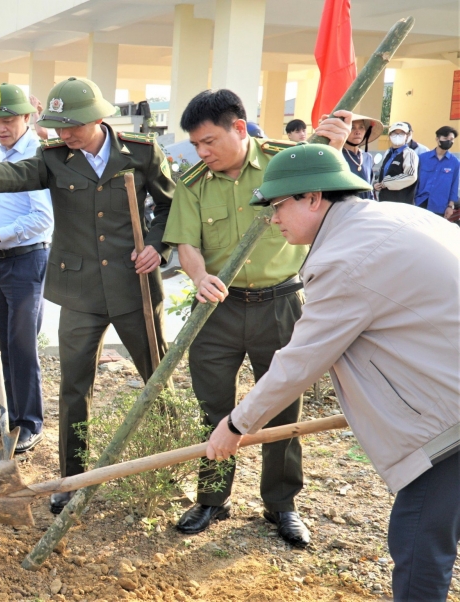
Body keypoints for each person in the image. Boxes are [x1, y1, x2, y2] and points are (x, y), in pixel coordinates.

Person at [207, 144, 460, 600]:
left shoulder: (346, 258)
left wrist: (237, 424)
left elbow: (300, 361)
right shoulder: (396, 220)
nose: (272, 217)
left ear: (313, 197)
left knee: (420, 541)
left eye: (278, 204)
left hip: (450, 424)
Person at [0, 76, 176, 514]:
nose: (63, 134)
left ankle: (169, 468)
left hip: (134, 287)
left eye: (71, 126)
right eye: (57, 126)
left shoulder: (141, 153)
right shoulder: (54, 157)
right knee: (73, 388)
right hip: (79, 291)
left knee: (156, 376)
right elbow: (19, 173)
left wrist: (158, 245)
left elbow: (170, 206)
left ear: (98, 118)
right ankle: (72, 479)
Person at [162, 89, 349, 547]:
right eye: (196, 146)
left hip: (280, 305)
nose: (202, 153)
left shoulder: (287, 164)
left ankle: (281, 505)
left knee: (282, 407)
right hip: (216, 310)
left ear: (239, 128)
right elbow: (186, 243)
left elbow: (330, 198)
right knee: (214, 407)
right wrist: (200, 275)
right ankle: (212, 498)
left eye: (209, 142)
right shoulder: (192, 182)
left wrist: (336, 150)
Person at [0, 83, 54, 453]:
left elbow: (43, 218)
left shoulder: (35, 154)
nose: (1, 127)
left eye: (9, 120)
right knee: (3, 343)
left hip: (27, 258)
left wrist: (0, 234)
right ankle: (9, 414)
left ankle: (30, 423)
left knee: (21, 345)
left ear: (28, 118)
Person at [414, 125, 459, 219]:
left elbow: (454, 186)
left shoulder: (455, 163)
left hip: (440, 206)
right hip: (420, 203)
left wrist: (450, 206)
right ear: (437, 139)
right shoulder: (422, 158)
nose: (448, 141)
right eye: (445, 138)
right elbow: (415, 181)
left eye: (451, 139)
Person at [374, 122, 419, 204]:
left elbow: (411, 175)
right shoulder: (388, 153)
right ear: (390, 135)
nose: (398, 135)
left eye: (401, 133)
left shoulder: (409, 153)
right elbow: (382, 172)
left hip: (401, 202)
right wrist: (377, 184)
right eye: (395, 133)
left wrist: (387, 182)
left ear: (407, 136)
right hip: (384, 200)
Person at [339, 114, 382, 200]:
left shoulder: (367, 157)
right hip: (344, 209)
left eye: (361, 127)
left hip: (365, 208)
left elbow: (369, 188)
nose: (357, 131)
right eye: (352, 127)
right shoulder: (338, 155)